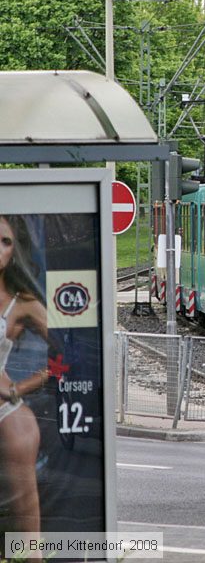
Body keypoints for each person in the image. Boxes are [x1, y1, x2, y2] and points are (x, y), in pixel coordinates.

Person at [0, 215, 53, 538]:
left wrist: (20, 387)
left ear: (14, 251)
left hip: (8, 415)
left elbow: (66, 354)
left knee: (25, 523)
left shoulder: (23, 305)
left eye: (5, 242)